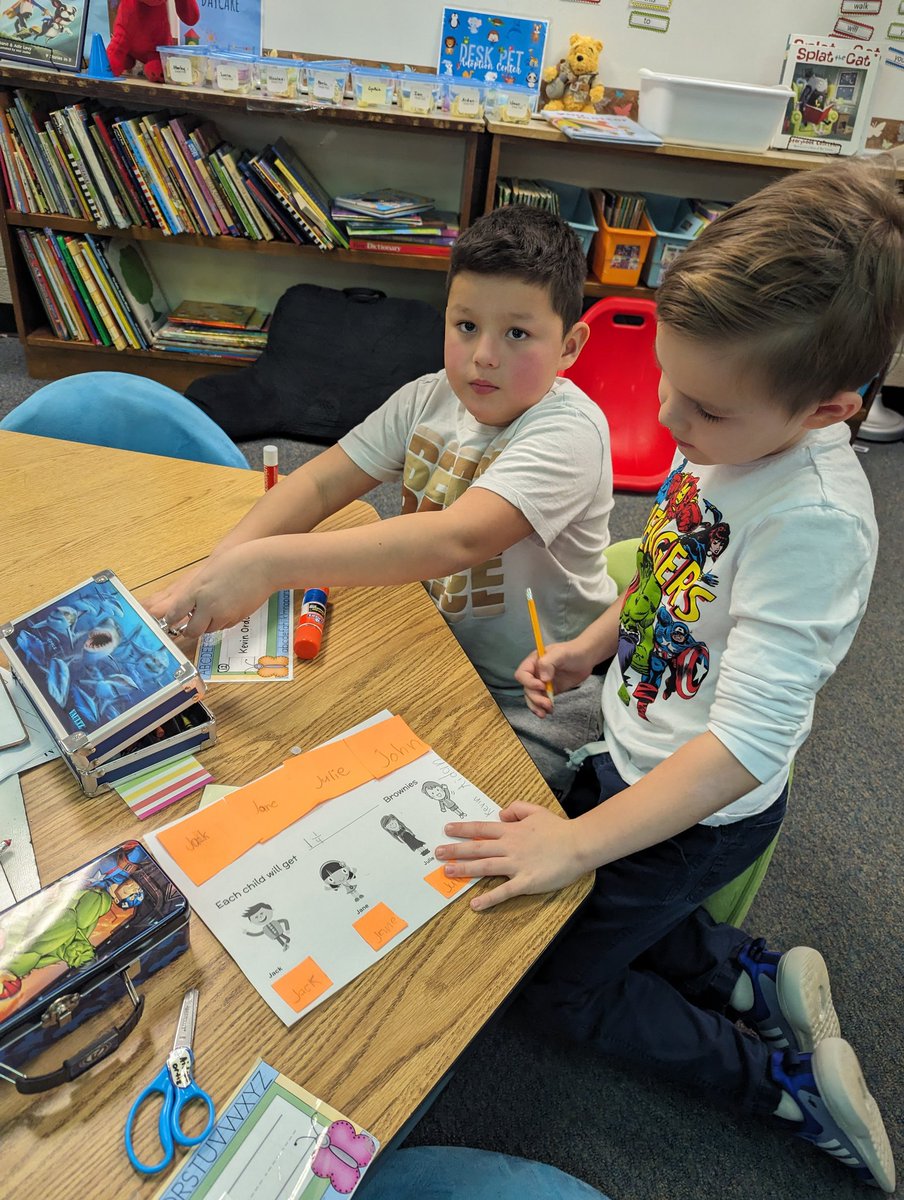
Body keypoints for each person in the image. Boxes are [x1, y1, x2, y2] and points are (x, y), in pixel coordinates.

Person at [434, 159, 904, 1192]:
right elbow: (670, 566)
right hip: (634, 745)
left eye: (703, 411)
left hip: (700, 804)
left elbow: (743, 747)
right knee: (613, 910)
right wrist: (593, 645)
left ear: (829, 409)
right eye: (668, 388)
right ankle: (752, 975)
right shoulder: (730, 430)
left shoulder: (814, 521)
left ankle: (783, 1087)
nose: (671, 423)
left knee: (556, 988)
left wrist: (574, 842)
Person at [150, 206, 618, 790]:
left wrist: (266, 564)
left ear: (570, 346)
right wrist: (218, 568)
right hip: (429, 645)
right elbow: (320, 481)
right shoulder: (428, 396)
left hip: (534, 697)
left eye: (517, 334)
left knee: (463, 823)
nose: (484, 356)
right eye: (466, 326)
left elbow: (459, 538)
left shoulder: (571, 431)